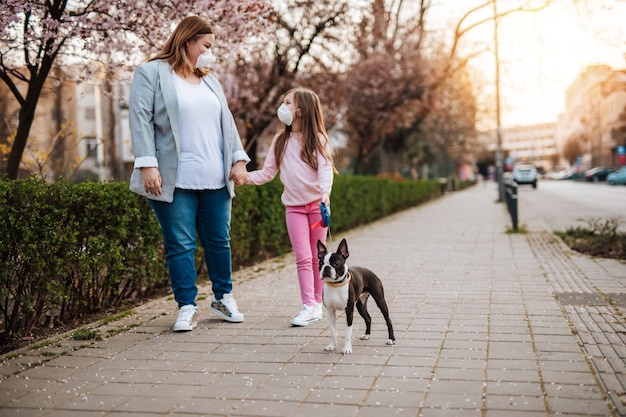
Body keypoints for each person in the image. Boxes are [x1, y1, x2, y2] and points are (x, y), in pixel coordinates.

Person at [128, 15, 250, 332]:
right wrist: (147, 164)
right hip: (173, 177)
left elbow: (227, 122)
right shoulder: (151, 73)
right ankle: (187, 306)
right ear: (188, 41)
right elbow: (140, 120)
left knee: (219, 241)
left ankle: (223, 298)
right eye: (206, 45)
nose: (210, 52)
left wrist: (239, 159)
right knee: (180, 244)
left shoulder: (209, 80)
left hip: (215, 176)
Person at [246, 87, 337, 326]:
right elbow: (267, 173)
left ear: (302, 111)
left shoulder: (318, 139)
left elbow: (326, 170)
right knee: (302, 256)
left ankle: (318, 303)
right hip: (294, 209)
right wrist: (245, 177)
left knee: (318, 257)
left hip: (317, 207)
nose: (283, 107)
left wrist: (325, 193)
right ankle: (309, 306)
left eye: (288, 103)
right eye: (284, 102)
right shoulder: (280, 140)